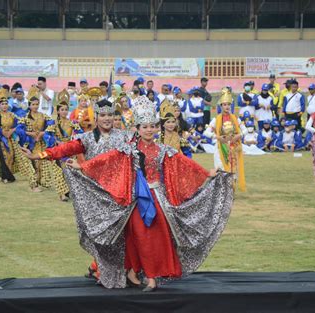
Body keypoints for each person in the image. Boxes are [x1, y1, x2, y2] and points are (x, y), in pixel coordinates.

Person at [63, 97, 234, 291]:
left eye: (153, 126)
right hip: (136, 200)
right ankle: (141, 273)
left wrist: (207, 173)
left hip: (158, 199)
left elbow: (183, 164)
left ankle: (143, 273)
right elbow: (107, 160)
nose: (149, 130)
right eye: (145, 127)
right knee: (140, 237)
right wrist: (83, 165)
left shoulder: (163, 150)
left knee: (158, 237)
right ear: (137, 128)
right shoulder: (129, 149)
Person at [21, 98, 135, 280]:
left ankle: (101, 266)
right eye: (103, 115)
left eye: (110, 115)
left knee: (120, 233)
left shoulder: (124, 137)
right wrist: (38, 156)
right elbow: (63, 149)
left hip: (119, 191)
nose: (107, 119)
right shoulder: (87, 138)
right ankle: (100, 266)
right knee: (99, 232)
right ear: (96, 117)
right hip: (94, 192)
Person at [0, 90, 37, 187]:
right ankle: (5, 177)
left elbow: (20, 124)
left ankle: (9, 175)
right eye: (2, 104)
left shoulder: (12, 115)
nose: (5, 106)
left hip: (11, 139)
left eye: (6, 104)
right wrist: (1, 131)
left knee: (11, 157)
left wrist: (12, 130)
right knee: (5, 157)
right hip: (1, 140)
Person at [205, 88, 246, 191]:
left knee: (233, 168)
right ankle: (221, 190)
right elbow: (206, 133)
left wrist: (239, 136)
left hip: (233, 147)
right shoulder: (216, 119)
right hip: (220, 147)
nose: (227, 106)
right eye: (224, 104)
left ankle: (230, 190)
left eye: (229, 104)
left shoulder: (236, 119)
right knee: (221, 168)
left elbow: (245, 131)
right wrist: (217, 137)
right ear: (221, 106)